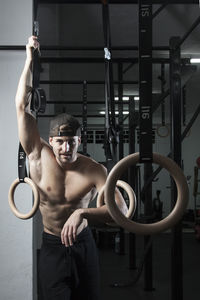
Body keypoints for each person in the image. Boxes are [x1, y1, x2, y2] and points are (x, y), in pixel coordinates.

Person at [15, 36, 128, 300]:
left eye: (72, 142)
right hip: (53, 247)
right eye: (61, 143)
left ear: (81, 141)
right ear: (50, 141)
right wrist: (30, 60)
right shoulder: (38, 157)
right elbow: (21, 107)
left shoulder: (93, 169)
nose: (66, 149)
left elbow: (121, 210)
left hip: (84, 246)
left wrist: (83, 214)